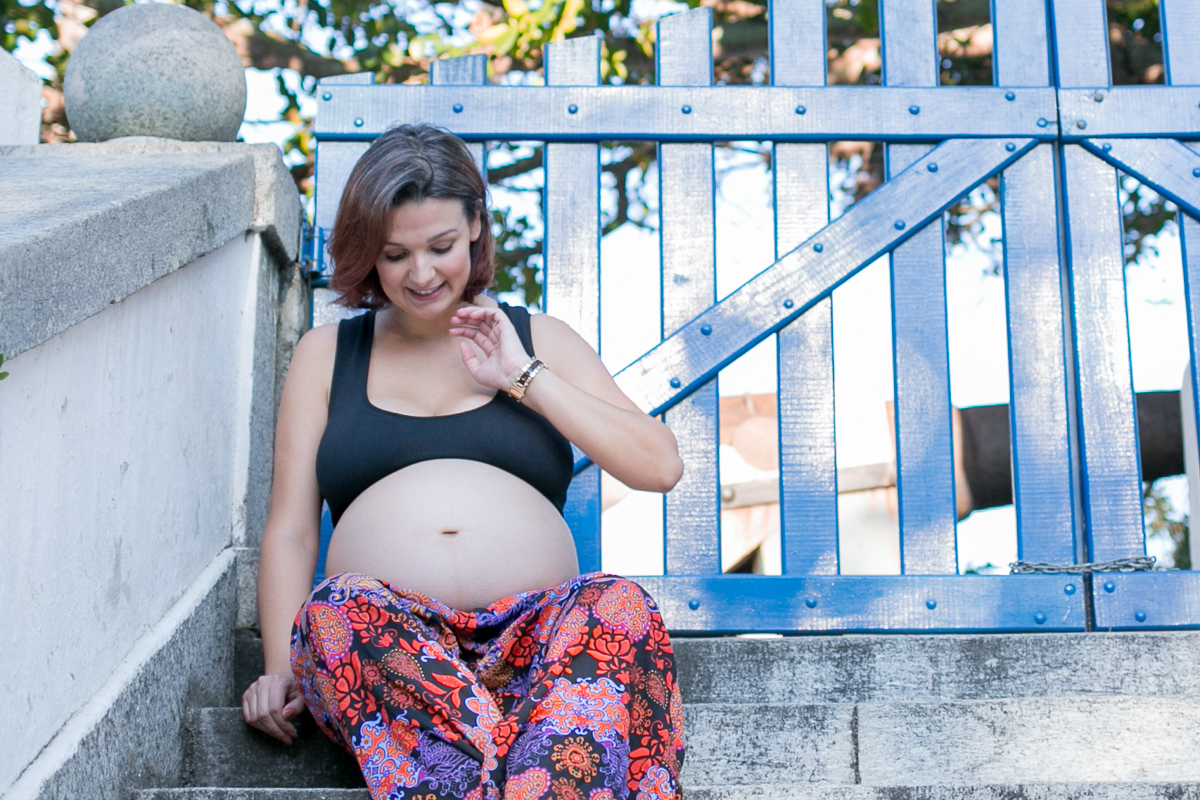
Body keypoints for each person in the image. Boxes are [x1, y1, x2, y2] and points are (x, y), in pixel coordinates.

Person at [242, 123, 687, 800]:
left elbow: (659, 465)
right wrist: (279, 666)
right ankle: (530, 766)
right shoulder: (326, 355)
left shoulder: (538, 338)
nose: (421, 275)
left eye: (440, 247)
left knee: (617, 603)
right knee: (335, 610)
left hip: (539, 652)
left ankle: (513, 766)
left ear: (477, 225)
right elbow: (292, 530)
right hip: (392, 656)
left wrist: (523, 375)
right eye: (395, 255)